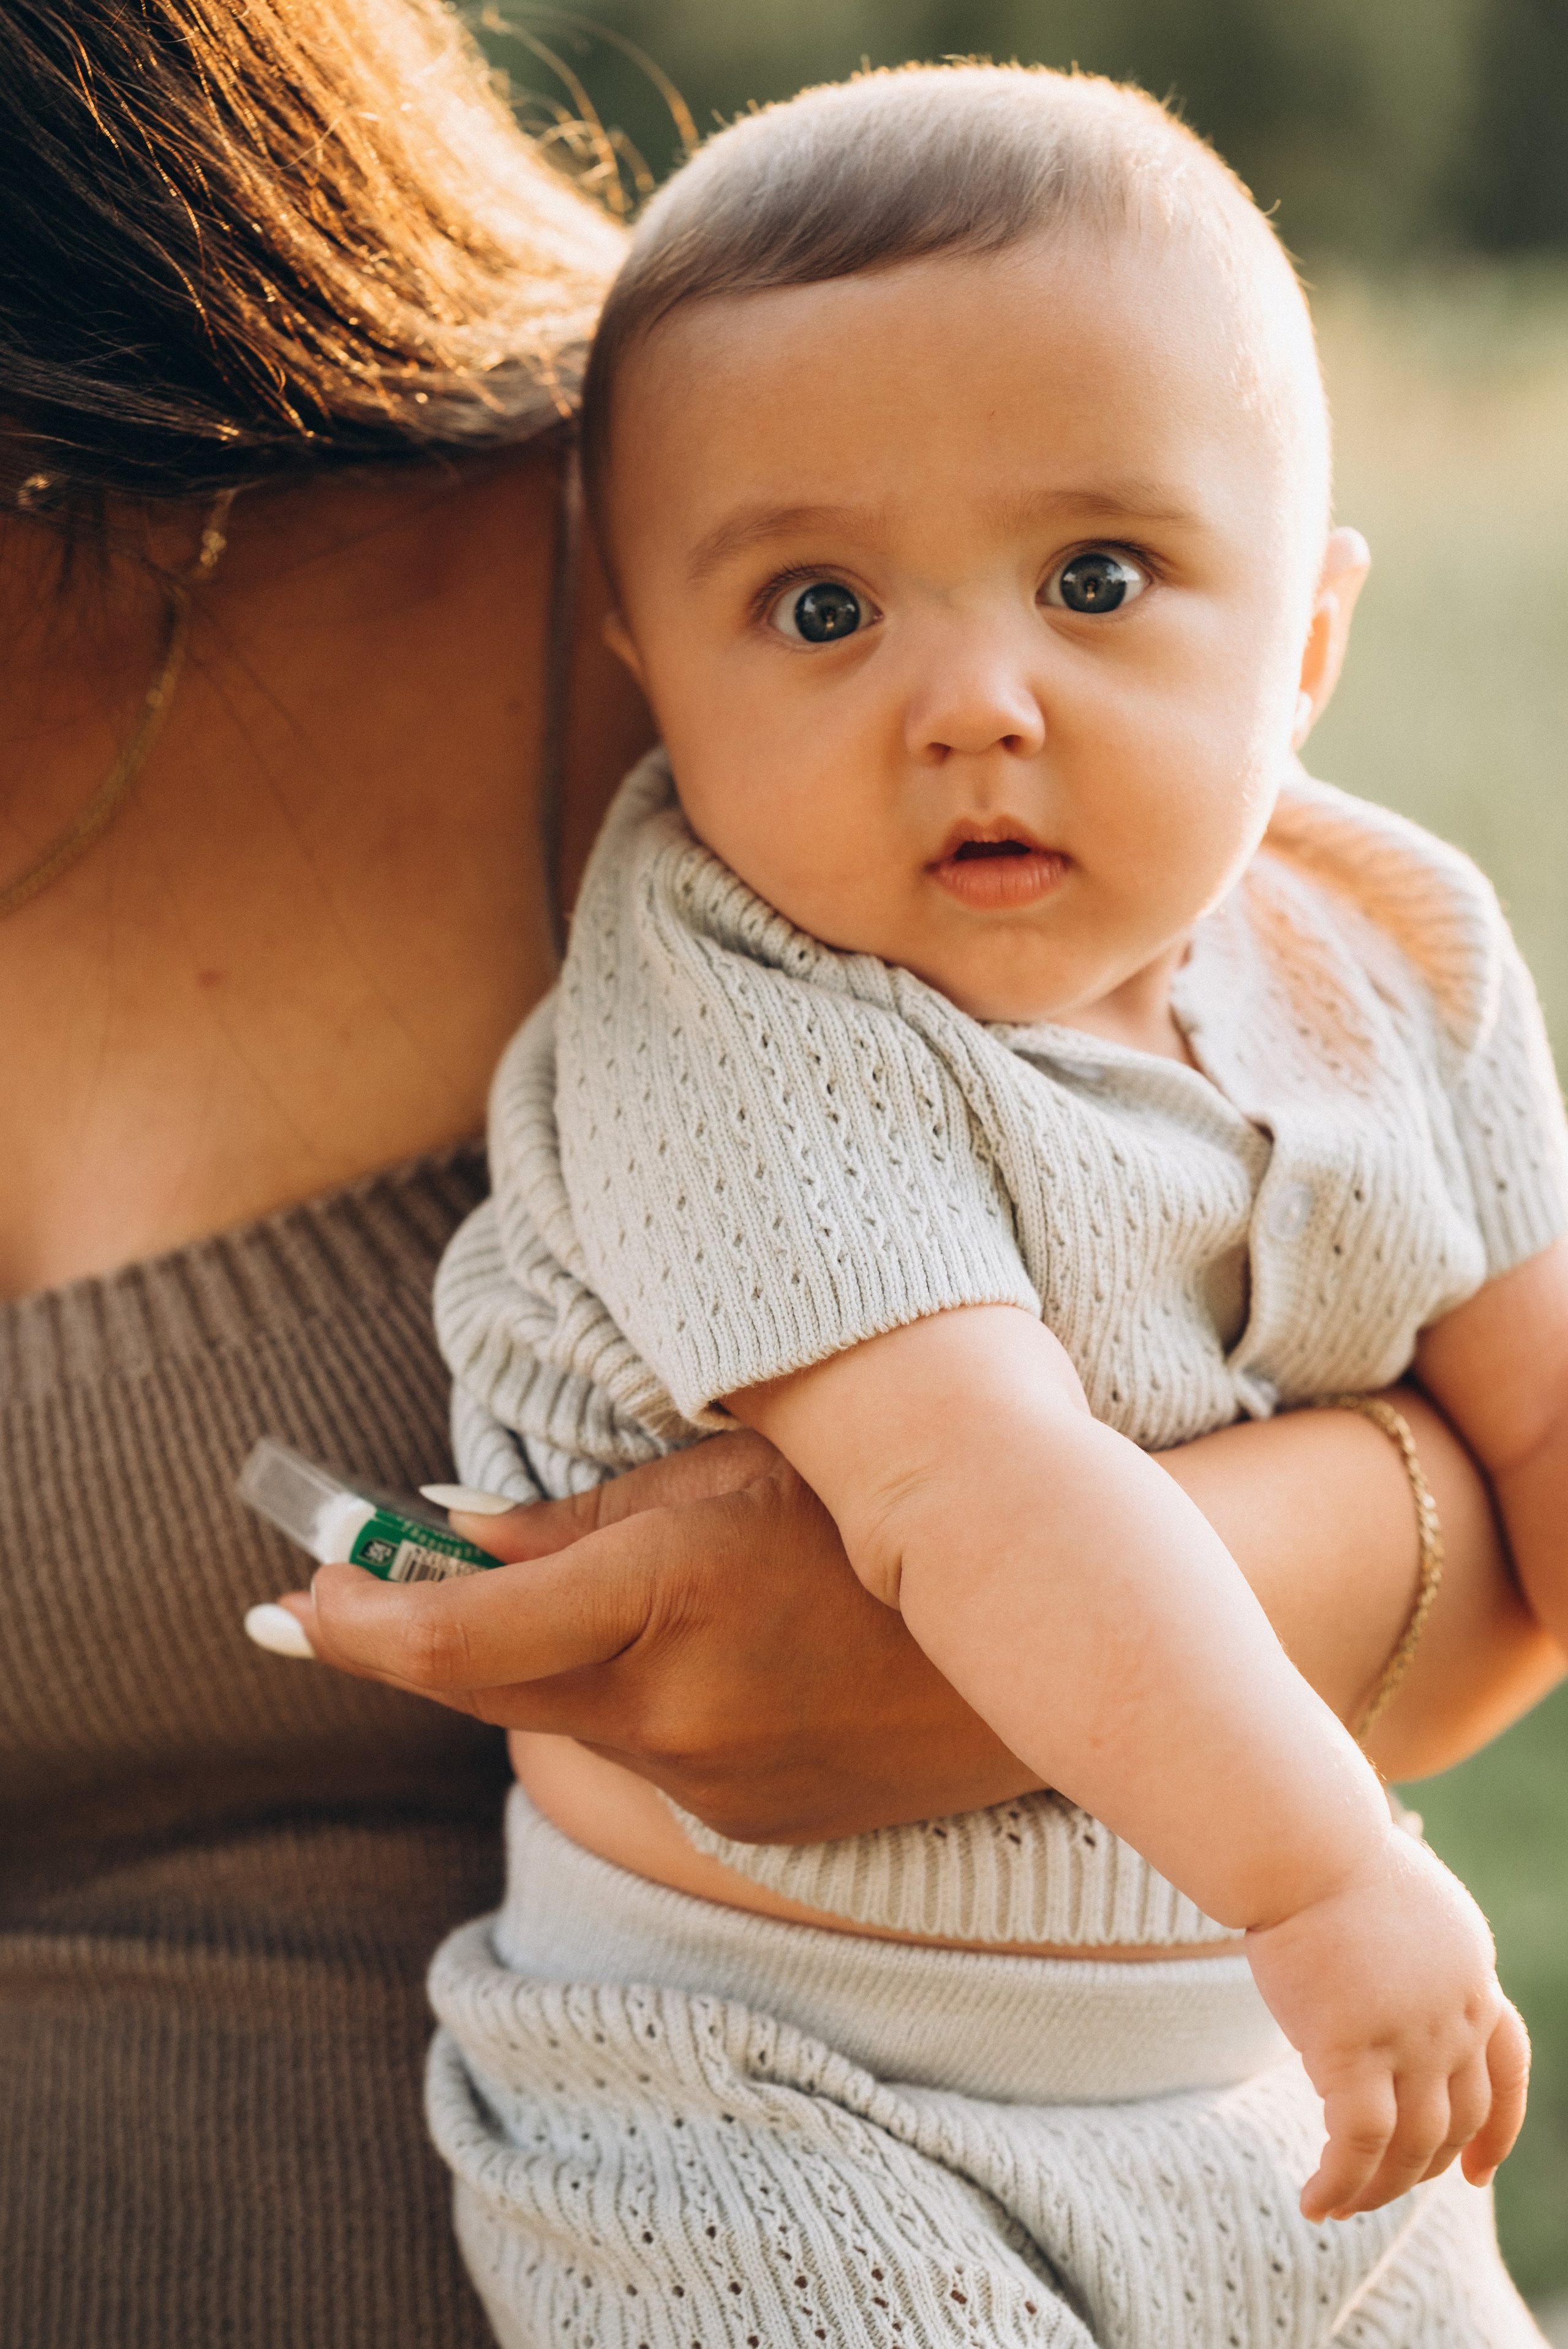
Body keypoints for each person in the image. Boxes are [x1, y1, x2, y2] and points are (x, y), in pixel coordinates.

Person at [0, 8, 1557, 2345]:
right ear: (663, 656)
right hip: (769, 2117)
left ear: (1312, 632)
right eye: (826, 614)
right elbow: (975, 1492)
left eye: (1100, 577)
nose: (974, 699)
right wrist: (1332, 1877)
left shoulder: (1395, 945)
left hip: (1235, 2067)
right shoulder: (738, 992)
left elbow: (1532, 1444)